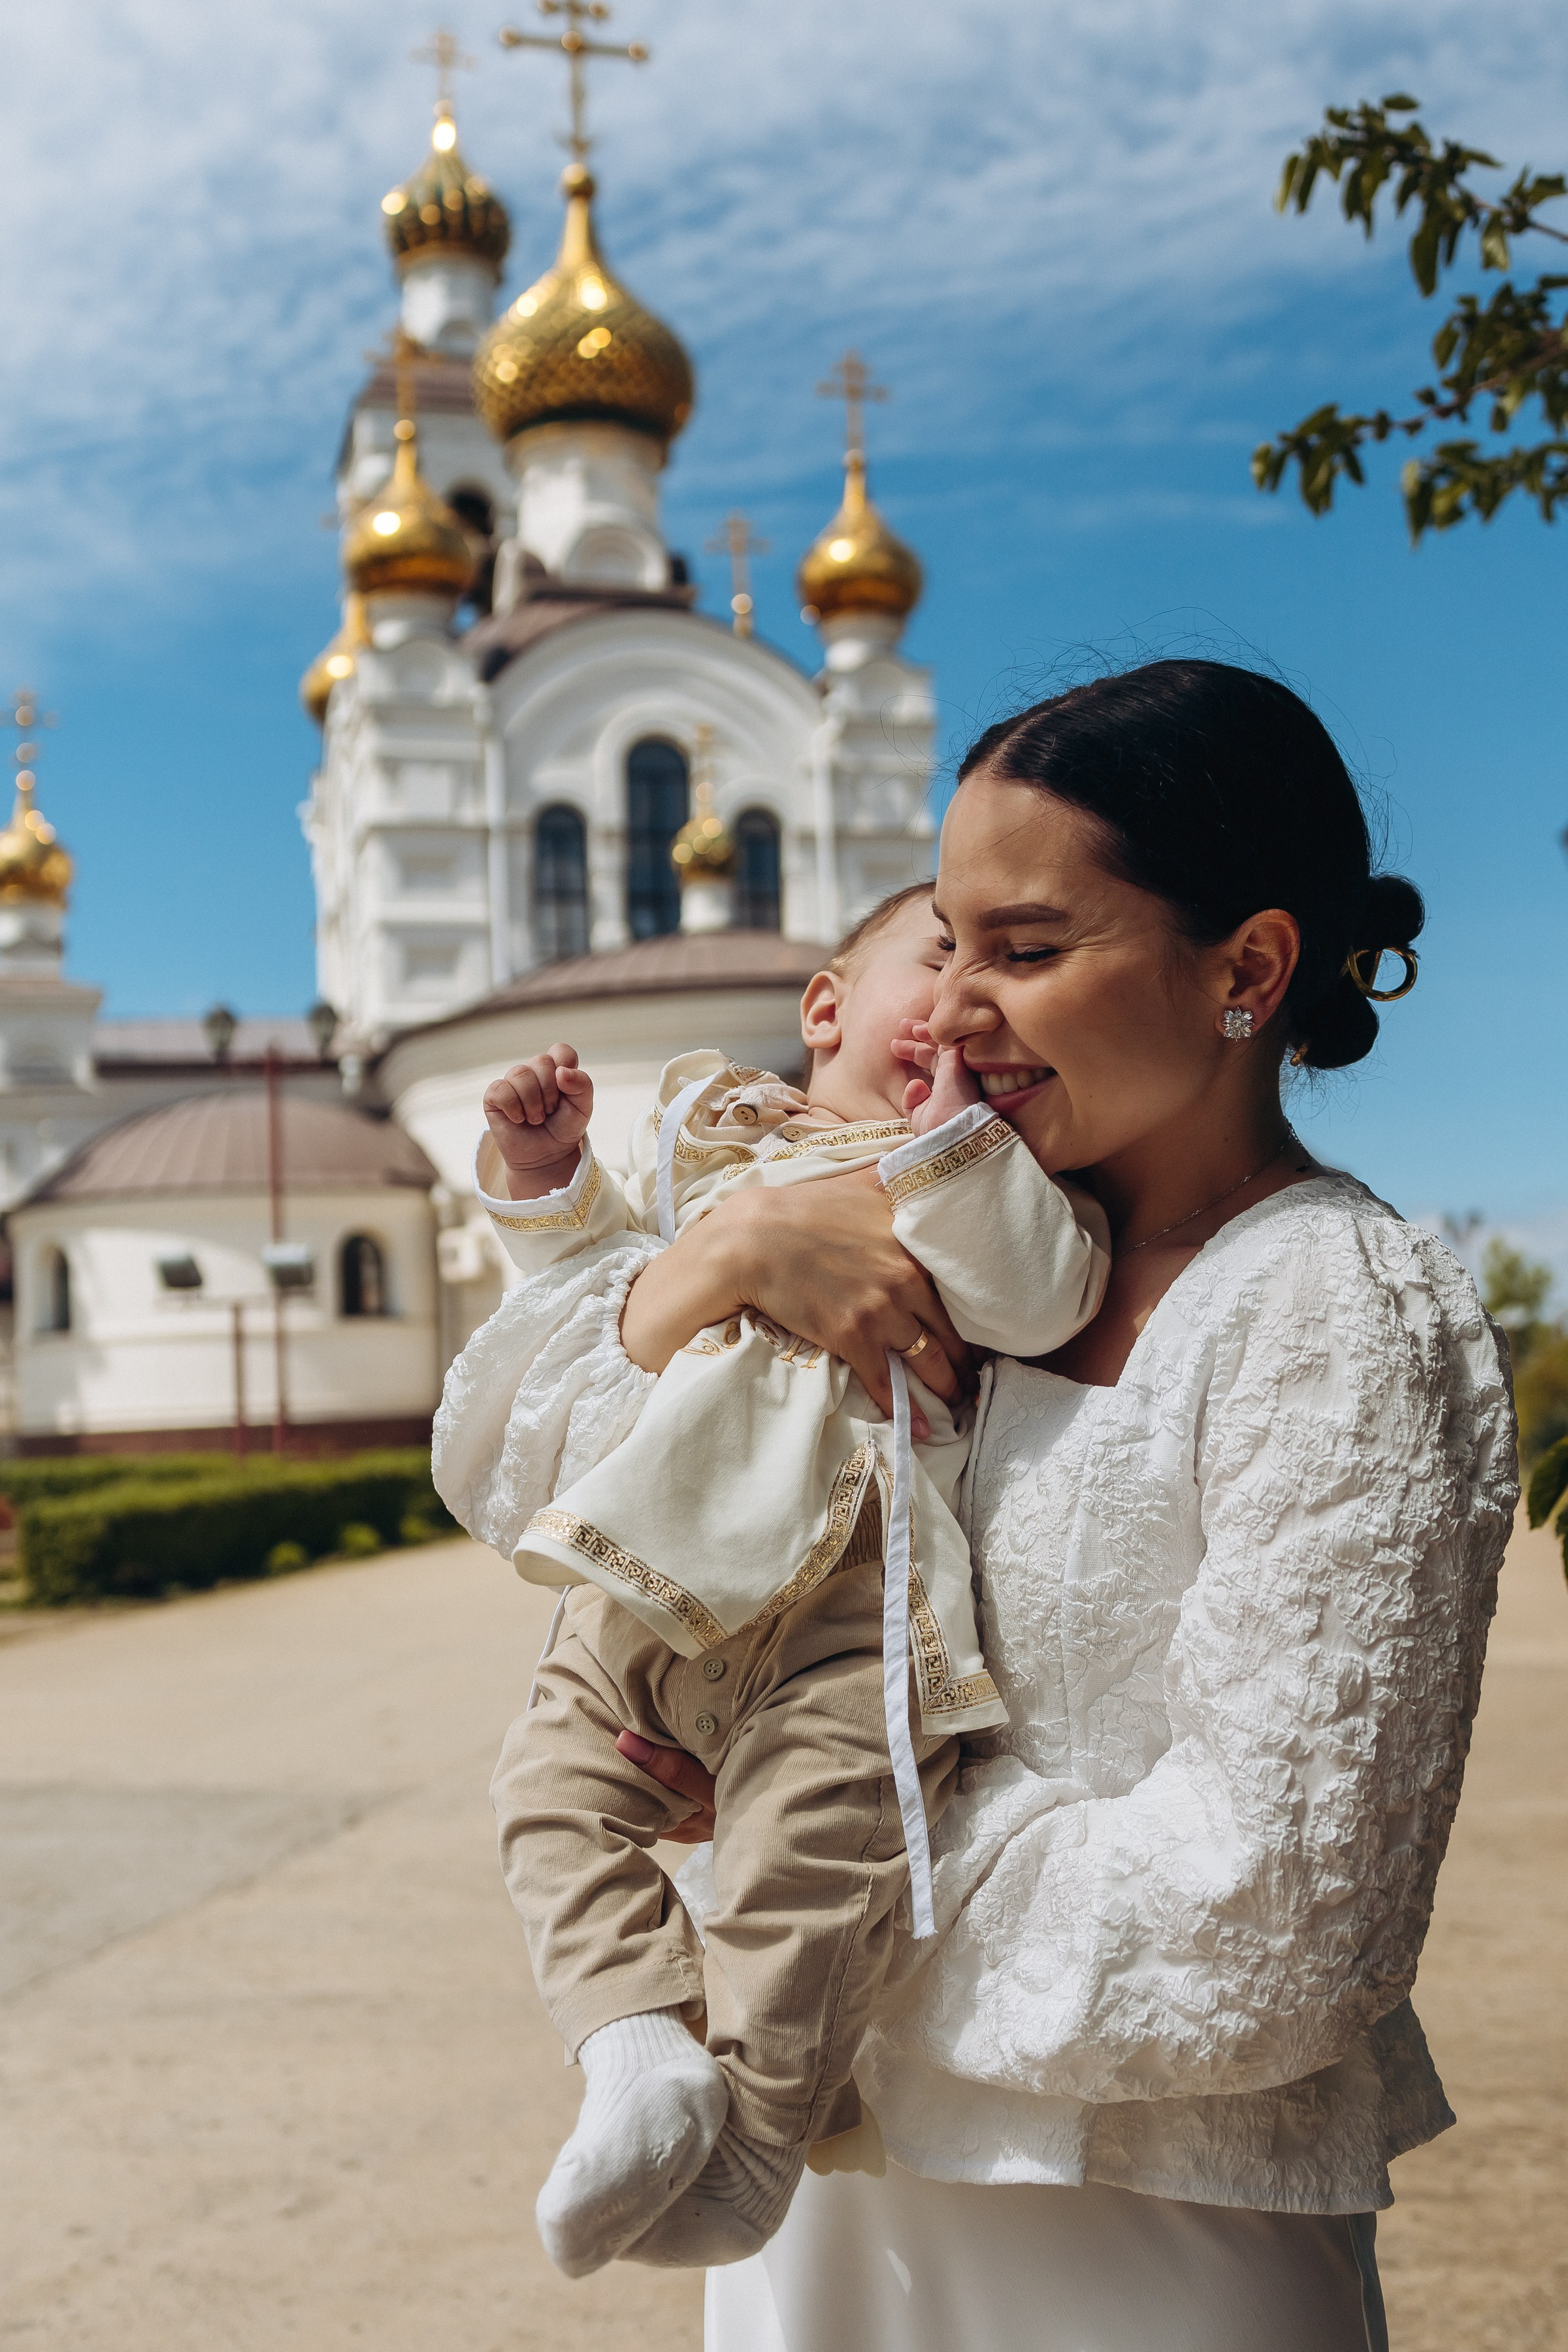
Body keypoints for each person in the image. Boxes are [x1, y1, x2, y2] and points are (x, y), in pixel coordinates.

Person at [474, 659, 1514, 2351]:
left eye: (1027, 951)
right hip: (821, 2209)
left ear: (1246, 967)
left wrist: (796, 1854)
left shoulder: (1328, 1306)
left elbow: (1281, 1922)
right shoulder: (953, 1249)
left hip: (1143, 2233)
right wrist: (716, 1255)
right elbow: (538, 1474)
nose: (954, 1010)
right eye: (947, 943)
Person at [434, 885, 1110, 2278]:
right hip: (651, 1571)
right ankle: (634, 2052)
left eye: (1003, 969)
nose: (966, 997)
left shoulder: (988, 1174)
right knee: (547, 1800)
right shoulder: (722, 1144)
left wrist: (955, 1149)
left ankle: (749, 2138)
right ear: (822, 1010)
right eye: (940, 958)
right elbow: (601, 1287)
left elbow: (1039, 1303)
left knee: (800, 1869)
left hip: (856, 1602)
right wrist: (546, 1172)